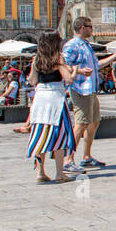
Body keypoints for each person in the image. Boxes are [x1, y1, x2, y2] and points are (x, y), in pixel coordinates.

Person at [64, 17, 116, 171]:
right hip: (80, 89)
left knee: (94, 122)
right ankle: (68, 160)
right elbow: (63, 65)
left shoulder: (86, 45)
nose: (92, 29)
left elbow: (96, 65)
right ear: (82, 27)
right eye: (90, 26)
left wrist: (115, 55)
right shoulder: (72, 45)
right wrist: (79, 70)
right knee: (80, 123)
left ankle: (86, 156)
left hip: (91, 89)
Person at [25, 32, 77, 184]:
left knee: (40, 134)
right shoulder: (58, 58)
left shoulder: (37, 59)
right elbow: (69, 79)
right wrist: (74, 71)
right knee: (60, 134)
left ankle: (40, 173)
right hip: (55, 98)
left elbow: (32, 80)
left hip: (40, 98)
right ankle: (59, 173)